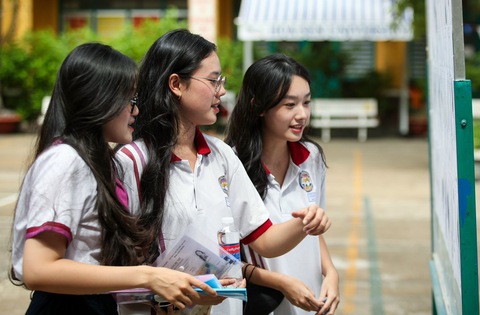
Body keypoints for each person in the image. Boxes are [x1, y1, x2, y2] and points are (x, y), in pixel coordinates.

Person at [115, 29, 331, 315]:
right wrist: (162, 297)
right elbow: (113, 266)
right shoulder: (131, 161)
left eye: (222, 81)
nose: (222, 91)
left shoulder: (222, 156)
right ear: (176, 84)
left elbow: (264, 241)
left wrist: (305, 223)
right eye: (214, 80)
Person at [9, 43, 229, 315]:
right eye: (130, 100)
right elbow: (38, 269)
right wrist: (148, 276)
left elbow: (100, 268)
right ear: (100, 100)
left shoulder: (96, 162)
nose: (135, 111)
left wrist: (182, 286)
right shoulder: (66, 161)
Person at [224, 54, 340, 315]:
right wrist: (281, 283)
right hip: (264, 305)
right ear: (259, 106)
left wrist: (331, 273)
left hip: (310, 302)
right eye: (290, 105)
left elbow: (313, 230)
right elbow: (226, 257)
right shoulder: (231, 164)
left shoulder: (312, 157)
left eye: (306, 103)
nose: (302, 115)